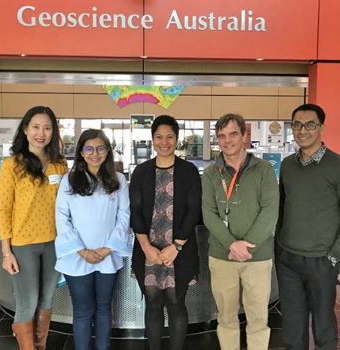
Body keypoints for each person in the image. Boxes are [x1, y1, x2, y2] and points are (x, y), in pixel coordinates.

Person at [202, 113, 279, 350]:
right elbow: (209, 214)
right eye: (222, 136)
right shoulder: (211, 173)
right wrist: (231, 245)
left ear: (244, 136)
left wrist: (246, 246)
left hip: (257, 257)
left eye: (233, 134)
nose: (228, 140)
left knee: (258, 319)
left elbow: (269, 211)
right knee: (226, 318)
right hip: (222, 255)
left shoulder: (265, 169)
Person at [0, 106, 68, 350]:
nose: (41, 133)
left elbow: (67, 204)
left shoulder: (60, 165)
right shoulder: (12, 165)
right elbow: (4, 210)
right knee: (27, 302)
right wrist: (7, 253)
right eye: (36, 127)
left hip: (54, 243)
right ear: (25, 129)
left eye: (47, 128)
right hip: (23, 245)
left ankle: (40, 346)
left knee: (47, 299)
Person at [55, 129, 132, 350]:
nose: (94, 153)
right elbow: (62, 218)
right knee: (82, 310)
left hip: (107, 256)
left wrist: (108, 249)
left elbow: (123, 216)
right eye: (88, 148)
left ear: (108, 151)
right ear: (81, 152)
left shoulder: (118, 180)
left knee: (103, 307)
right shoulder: (68, 181)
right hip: (76, 257)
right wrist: (82, 251)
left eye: (100, 148)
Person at [130, 115, 201, 350]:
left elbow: (193, 210)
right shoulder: (141, 172)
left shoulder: (188, 171)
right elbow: (135, 212)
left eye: (169, 136)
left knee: (176, 302)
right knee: (152, 302)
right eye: (159, 136)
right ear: (152, 139)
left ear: (177, 139)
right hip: (147, 249)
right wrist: (145, 247)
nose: (164, 141)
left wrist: (177, 245)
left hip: (179, 250)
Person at [275, 103, 340, 350]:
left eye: (310, 124)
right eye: (297, 125)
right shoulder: (288, 165)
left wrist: (335, 256)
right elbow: (283, 209)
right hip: (288, 258)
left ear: (321, 127)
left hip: (321, 260)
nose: (303, 130)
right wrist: (279, 248)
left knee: (323, 326)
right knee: (292, 327)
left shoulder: (336, 165)